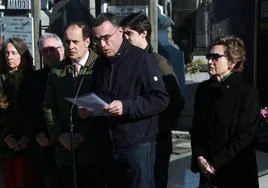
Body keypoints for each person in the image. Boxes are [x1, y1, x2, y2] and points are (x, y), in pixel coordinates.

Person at [83, 13, 169, 188]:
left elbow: (160, 98)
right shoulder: (100, 64)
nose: (102, 44)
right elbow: (97, 95)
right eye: (97, 39)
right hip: (108, 144)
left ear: (120, 32)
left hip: (136, 143)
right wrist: (89, 109)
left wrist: (126, 106)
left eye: (107, 38)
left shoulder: (141, 59)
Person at [121, 12, 185, 188]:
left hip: (155, 141)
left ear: (144, 34)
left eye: (129, 34)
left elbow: (176, 101)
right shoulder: (124, 62)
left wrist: (159, 127)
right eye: (123, 34)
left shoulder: (157, 62)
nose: (125, 39)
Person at [190, 36, 259, 187]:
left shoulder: (246, 93)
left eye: (215, 57)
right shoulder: (204, 90)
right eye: (209, 56)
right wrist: (199, 157)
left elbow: (244, 136)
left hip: (236, 172)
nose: (209, 61)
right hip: (207, 172)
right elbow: (197, 129)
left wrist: (215, 163)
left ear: (233, 62)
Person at [43, 22, 100, 188]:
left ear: (87, 41)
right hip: (65, 150)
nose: (70, 46)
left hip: (92, 150)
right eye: (67, 42)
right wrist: (59, 135)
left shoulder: (100, 67)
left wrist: (84, 135)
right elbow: (49, 106)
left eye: (75, 42)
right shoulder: (58, 70)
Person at [0, 38, 42, 188]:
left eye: (14, 53)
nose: (9, 57)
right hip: (6, 143)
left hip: (29, 142)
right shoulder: (1, 77)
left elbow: (37, 109)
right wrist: (6, 137)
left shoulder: (33, 78)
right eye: (6, 53)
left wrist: (27, 136)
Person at [27, 33, 65, 188]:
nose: (49, 54)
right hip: (46, 145)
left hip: (72, 142)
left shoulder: (74, 72)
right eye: (45, 51)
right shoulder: (32, 80)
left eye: (52, 49)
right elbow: (27, 110)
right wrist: (37, 133)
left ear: (62, 49)